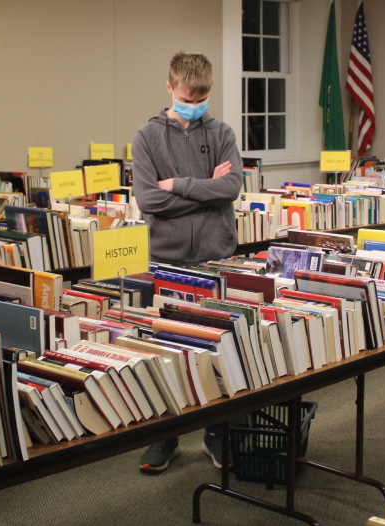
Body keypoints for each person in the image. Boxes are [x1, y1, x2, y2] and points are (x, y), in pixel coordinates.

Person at [132, 51, 243, 473]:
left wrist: (179, 184)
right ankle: (166, 437)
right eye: (186, 95)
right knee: (169, 350)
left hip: (216, 257)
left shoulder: (222, 132)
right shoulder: (146, 137)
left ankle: (217, 434)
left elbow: (231, 188)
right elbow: (148, 201)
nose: (193, 102)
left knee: (218, 348)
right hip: (168, 259)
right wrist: (206, 189)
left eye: (201, 96)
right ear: (169, 87)